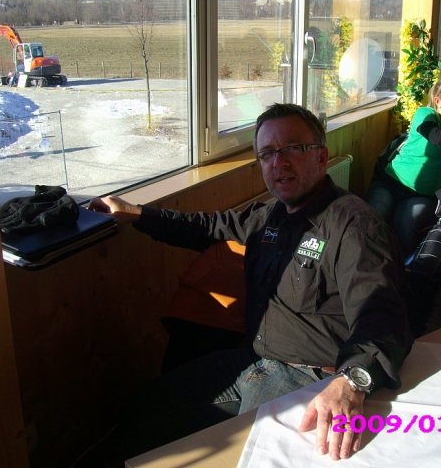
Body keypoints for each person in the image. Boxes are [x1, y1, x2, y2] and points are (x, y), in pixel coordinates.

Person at [84, 103, 412, 463]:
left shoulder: (355, 226)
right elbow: (206, 227)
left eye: (292, 148)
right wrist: (136, 214)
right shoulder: (270, 215)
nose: (278, 162)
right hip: (252, 359)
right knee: (142, 408)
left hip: (310, 377)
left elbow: (382, 317)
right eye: (267, 153)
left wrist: (351, 382)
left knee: (245, 457)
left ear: (321, 156)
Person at [364, 75, 441, 258]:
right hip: (391, 184)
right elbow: (436, 138)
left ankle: (398, 270)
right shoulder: (425, 115)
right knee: (370, 222)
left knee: (406, 228)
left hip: (422, 195)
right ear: (438, 101)